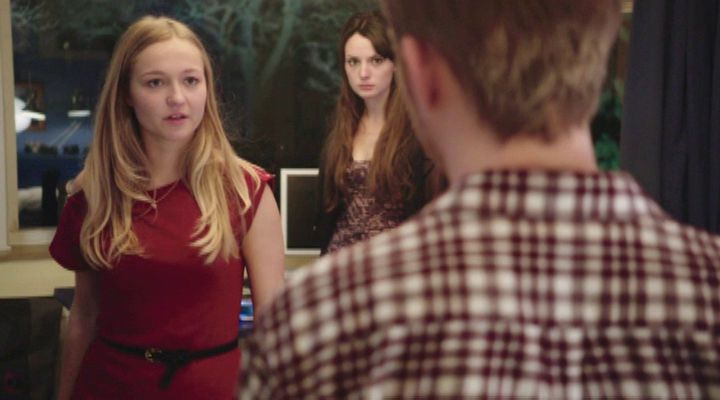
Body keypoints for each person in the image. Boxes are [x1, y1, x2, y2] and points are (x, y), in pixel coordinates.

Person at [240, 0, 720, 398]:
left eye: (378, 61)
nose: (364, 72)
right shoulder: (706, 287)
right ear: (601, 54)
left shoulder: (315, 321)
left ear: (418, 73)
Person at [50, 15, 285, 399]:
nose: (177, 98)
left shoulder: (247, 192)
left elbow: (273, 326)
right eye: (155, 82)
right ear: (127, 93)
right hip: (108, 386)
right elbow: (84, 314)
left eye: (191, 80)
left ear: (207, 88)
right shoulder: (94, 193)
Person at [318, 10, 440, 254]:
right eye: (353, 62)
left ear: (395, 63)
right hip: (340, 262)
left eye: (376, 60)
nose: (363, 73)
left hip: (397, 264)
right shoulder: (340, 129)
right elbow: (327, 213)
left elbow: (432, 214)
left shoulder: (418, 132)